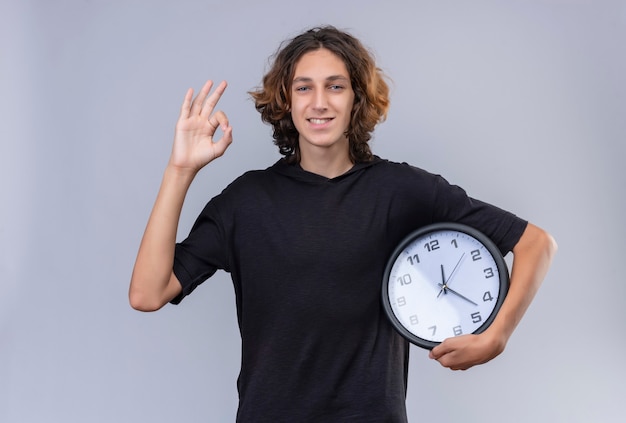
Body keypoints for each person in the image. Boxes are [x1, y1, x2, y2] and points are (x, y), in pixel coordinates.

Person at [129, 26, 557, 422]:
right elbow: (148, 293)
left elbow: (536, 243)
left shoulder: (402, 190)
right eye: (304, 87)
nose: (319, 102)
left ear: (357, 98)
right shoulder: (246, 201)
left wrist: (497, 335)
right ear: (286, 100)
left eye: (335, 86)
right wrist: (179, 170)